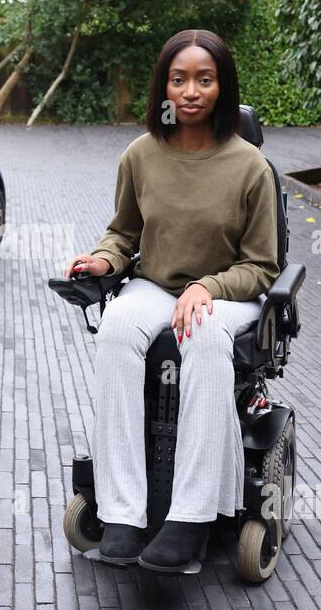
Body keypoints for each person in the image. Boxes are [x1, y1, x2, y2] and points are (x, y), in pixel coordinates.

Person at [62, 28, 281, 572]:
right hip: (156, 284)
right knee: (115, 327)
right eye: (178, 79)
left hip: (227, 291)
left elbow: (262, 267)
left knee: (201, 332)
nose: (190, 91)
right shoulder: (141, 155)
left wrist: (208, 287)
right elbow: (124, 234)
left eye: (204, 80)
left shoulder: (250, 165)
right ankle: (124, 512)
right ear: (163, 88)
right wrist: (104, 261)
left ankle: (191, 518)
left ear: (221, 87)